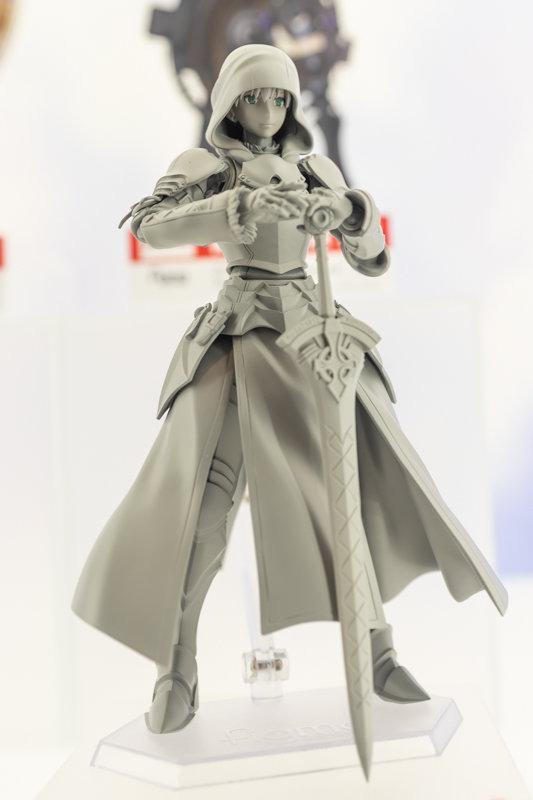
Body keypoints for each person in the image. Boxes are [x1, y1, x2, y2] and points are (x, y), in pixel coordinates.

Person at [73, 44, 507, 737]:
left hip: (313, 335)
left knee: (353, 493)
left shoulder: (314, 168)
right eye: (256, 97)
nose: (270, 111)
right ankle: (176, 665)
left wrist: (349, 211)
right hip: (238, 336)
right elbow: (149, 225)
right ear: (230, 101)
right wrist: (236, 205)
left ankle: (377, 652)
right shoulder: (208, 165)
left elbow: (369, 257)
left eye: (280, 98)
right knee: (204, 511)